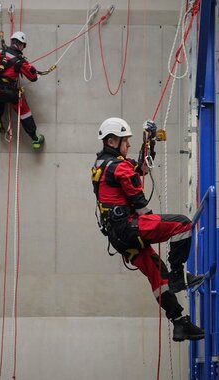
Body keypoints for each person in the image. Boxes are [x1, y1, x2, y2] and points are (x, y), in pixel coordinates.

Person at [91, 117, 205, 342]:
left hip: (118, 236)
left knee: (156, 274)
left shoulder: (104, 164)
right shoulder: (118, 167)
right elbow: (140, 203)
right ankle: (177, 276)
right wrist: (153, 222)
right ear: (113, 141)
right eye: (126, 141)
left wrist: (149, 142)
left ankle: (180, 323)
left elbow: (141, 168)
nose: (129, 145)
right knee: (182, 224)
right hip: (128, 228)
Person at [0, 31, 45, 150]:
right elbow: (33, 77)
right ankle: (34, 138)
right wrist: (28, 67)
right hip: (9, 92)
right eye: (23, 46)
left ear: (12, 41)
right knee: (24, 111)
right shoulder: (20, 61)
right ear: (20, 45)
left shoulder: (0, 52)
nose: (23, 48)